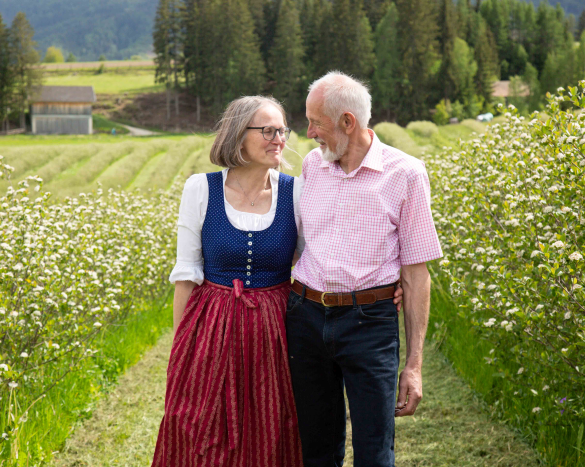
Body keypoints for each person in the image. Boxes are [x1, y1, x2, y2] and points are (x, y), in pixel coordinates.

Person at [286, 72, 443, 467]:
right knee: (316, 450)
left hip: (368, 324)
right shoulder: (312, 165)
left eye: (315, 123)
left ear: (347, 122)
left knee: (374, 453)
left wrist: (415, 365)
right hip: (305, 318)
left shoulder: (405, 173)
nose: (309, 133)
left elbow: (416, 273)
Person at [151, 96, 305, 466]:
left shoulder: (295, 192)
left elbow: (314, 263)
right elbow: (186, 275)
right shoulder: (200, 189)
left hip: (276, 331)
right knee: (203, 427)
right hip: (212, 329)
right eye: (267, 130)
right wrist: (182, 354)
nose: (279, 139)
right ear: (238, 135)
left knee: (274, 425)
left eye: (282, 130)